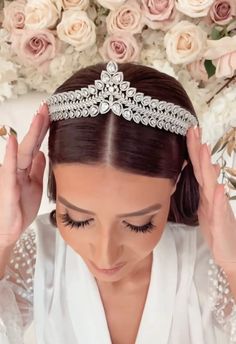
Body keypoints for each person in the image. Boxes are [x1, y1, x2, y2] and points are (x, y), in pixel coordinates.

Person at [0, 60, 236, 344]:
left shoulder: (207, 265)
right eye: (78, 219)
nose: (105, 255)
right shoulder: (39, 254)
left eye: (138, 224)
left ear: (178, 179)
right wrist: (3, 239)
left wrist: (232, 263)